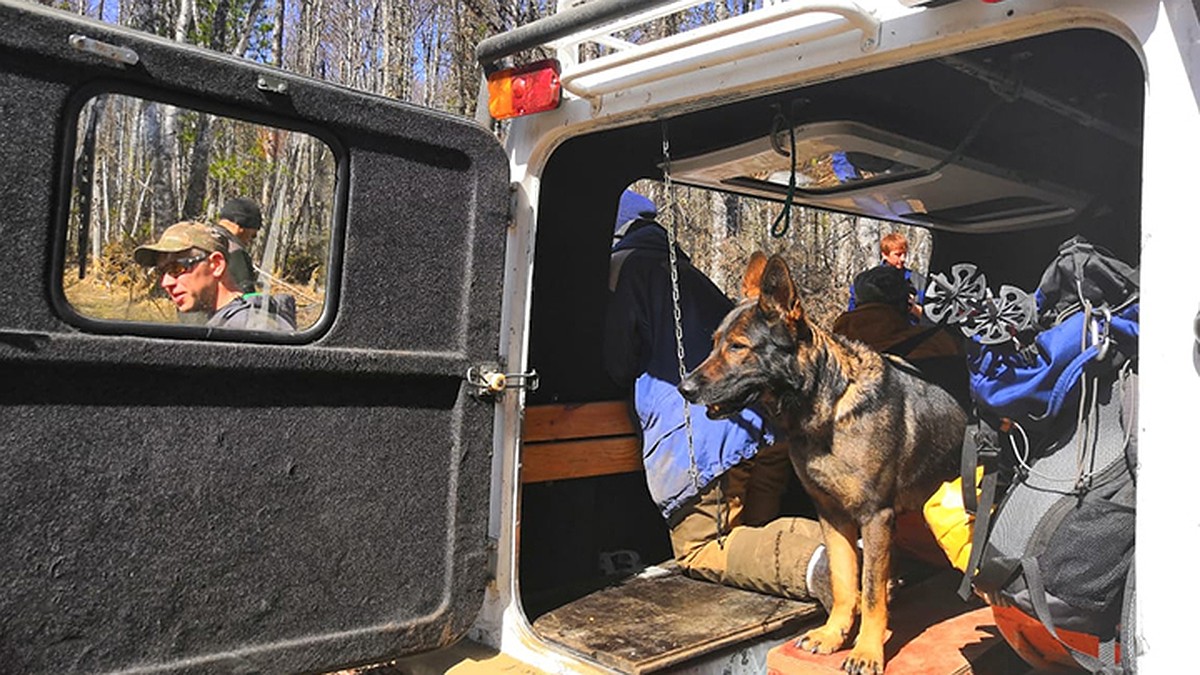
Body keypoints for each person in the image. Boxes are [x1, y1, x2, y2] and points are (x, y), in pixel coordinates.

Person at [603, 190, 831, 606]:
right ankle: (853, 554)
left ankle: (819, 566)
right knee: (757, 547)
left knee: (702, 549)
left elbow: (618, 360)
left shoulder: (625, 268)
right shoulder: (689, 273)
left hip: (705, 438)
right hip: (764, 429)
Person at [134, 221, 295, 331]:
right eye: (161, 272)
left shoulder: (252, 328)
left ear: (216, 265)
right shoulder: (222, 323)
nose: (165, 282)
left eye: (176, 268)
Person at [847, 231, 926, 321]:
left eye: (905, 254)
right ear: (884, 254)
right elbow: (853, 315)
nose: (903, 259)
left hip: (909, 333)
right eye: (898, 254)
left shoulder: (918, 281)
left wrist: (912, 307)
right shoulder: (866, 281)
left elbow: (929, 319)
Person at [216, 197, 263, 294]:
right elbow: (247, 297)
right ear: (241, 228)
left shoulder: (201, 240)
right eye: (253, 235)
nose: (250, 241)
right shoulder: (234, 251)